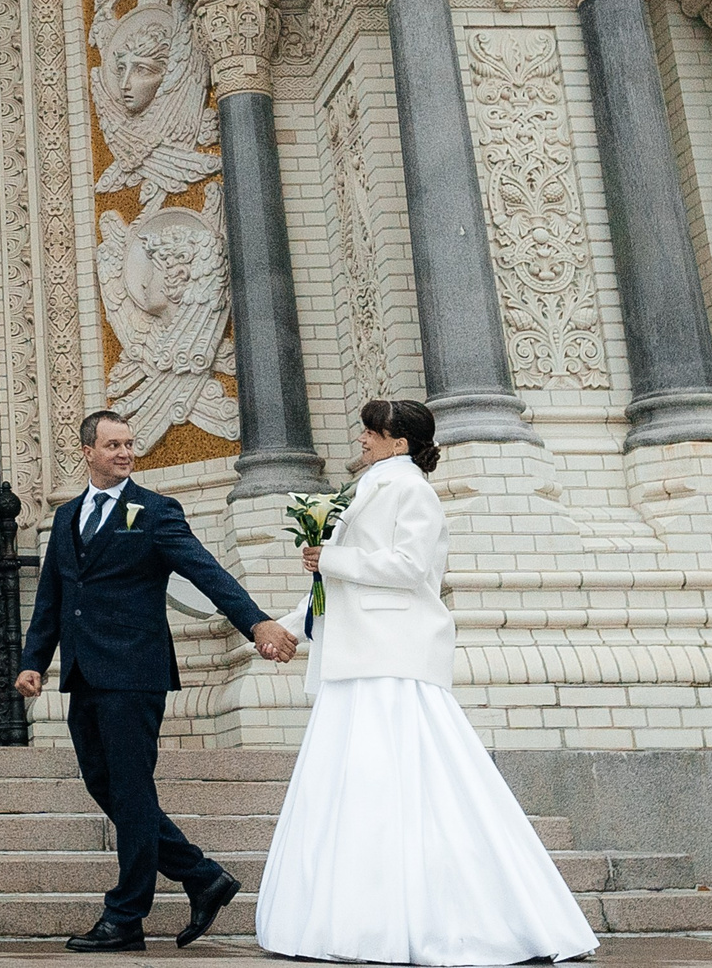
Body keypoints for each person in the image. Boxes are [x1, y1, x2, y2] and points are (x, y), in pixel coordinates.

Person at [254, 399, 598, 965]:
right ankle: (358, 919)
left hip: (391, 658)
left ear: (400, 443)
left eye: (373, 431)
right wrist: (286, 628)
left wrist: (332, 559)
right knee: (356, 787)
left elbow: (410, 568)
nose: (362, 438)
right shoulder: (368, 490)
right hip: (359, 659)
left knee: (397, 781)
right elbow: (336, 586)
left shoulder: (411, 490)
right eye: (365, 429)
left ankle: (418, 921)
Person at [16, 410, 299, 953]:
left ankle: (126, 917)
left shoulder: (155, 511)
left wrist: (257, 623)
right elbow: (52, 597)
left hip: (134, 671)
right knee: (107, 785)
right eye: (113, 445)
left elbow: (205, 570)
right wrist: (34, 661)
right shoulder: (68, 516)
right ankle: (201, 876)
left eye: (129, 444)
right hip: (82, 672)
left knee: (130, 788)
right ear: (88, 452)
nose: (125, 453)